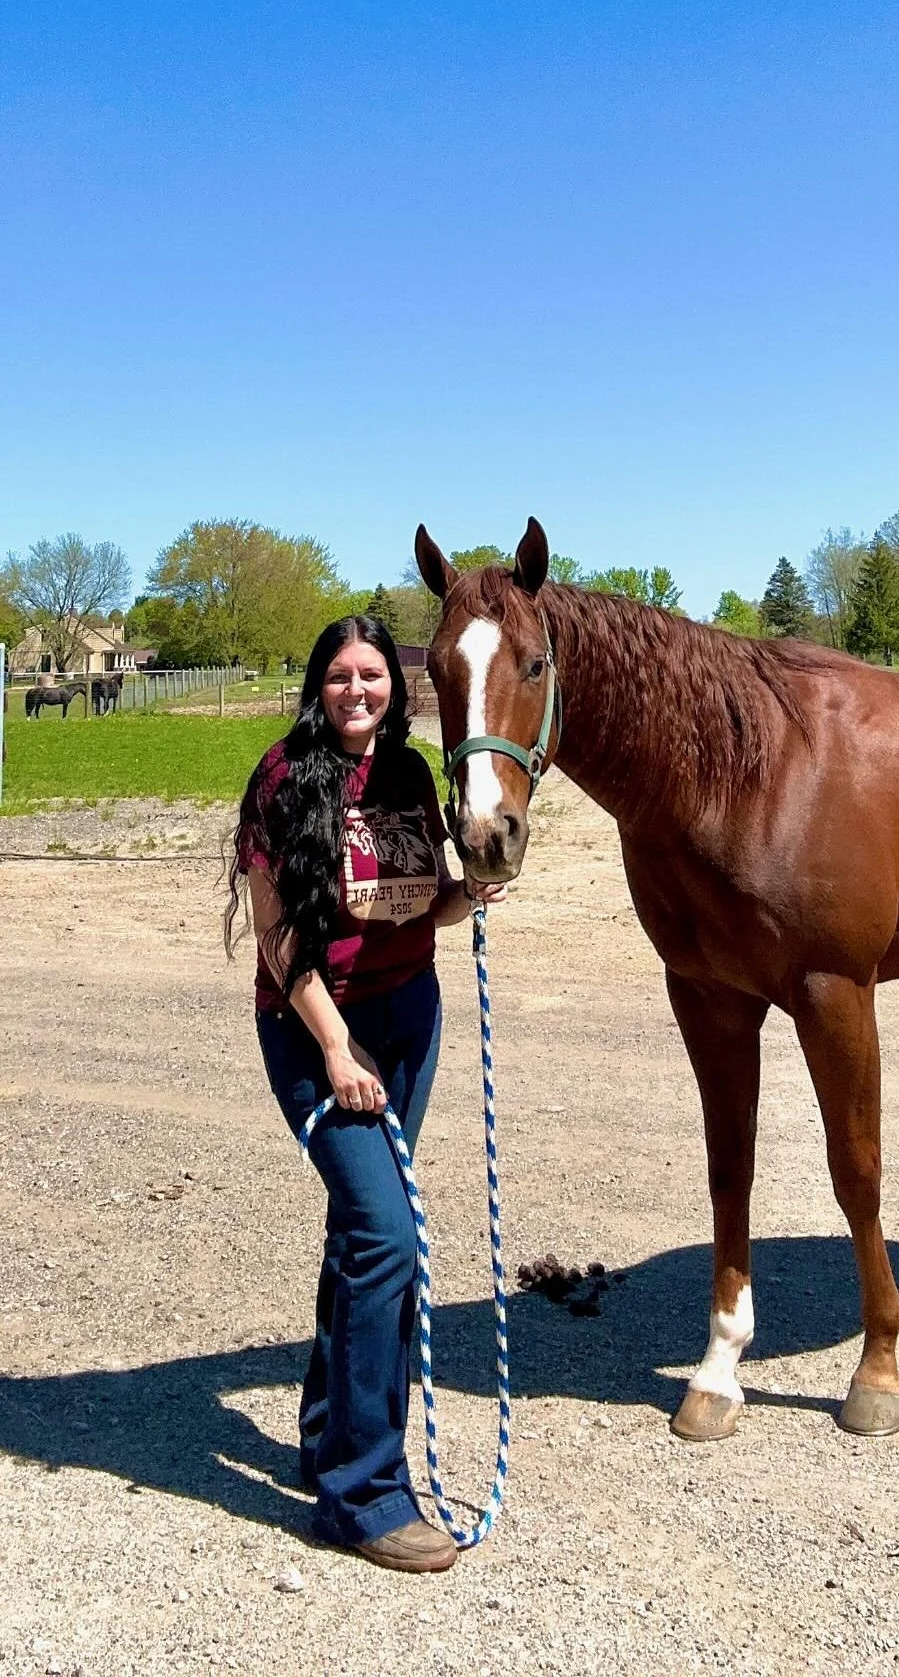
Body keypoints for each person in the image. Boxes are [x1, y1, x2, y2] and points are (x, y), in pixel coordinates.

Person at [226, 616, 501, 1574]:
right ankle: (364, 1492)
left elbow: (424, 896)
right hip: (316, 1032)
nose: (357, 689)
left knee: (361, 1230)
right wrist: (338, 1049)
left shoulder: (412, 776)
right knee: (387, 1232)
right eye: (341, 675)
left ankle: (322, 1431)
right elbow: (279, 939)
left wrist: (476, 892)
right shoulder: (283, 775)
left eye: (373, 674)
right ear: (320, 683)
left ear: (398, 684)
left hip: (409, 1019)